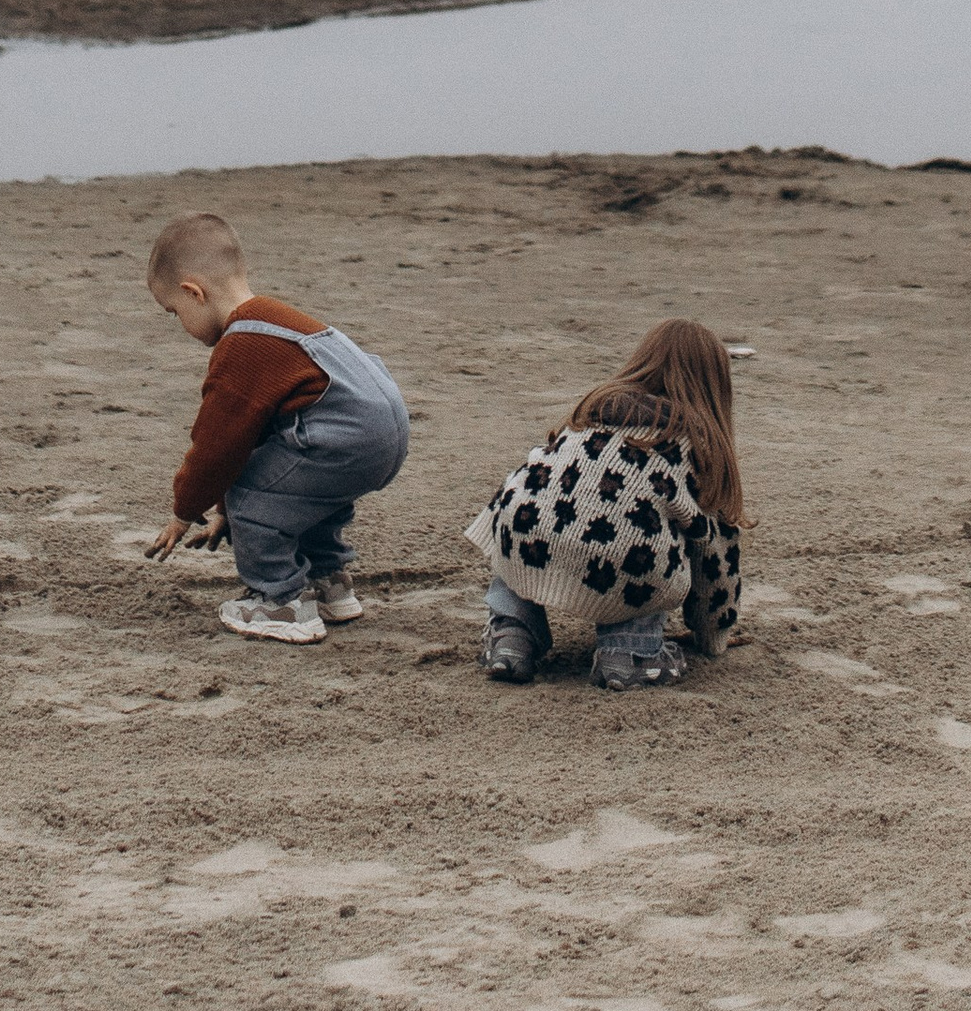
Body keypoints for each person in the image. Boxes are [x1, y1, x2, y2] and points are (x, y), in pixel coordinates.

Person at [141, 210, 410, 643]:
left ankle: (279, 601)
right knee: (304, 500)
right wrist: (223, 510)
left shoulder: (243, 345)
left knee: (255, 502)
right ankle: (330, 585)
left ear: (194, 293)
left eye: (174, 312)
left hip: (343, 438)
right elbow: (257, 438)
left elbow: (218, 446)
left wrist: (185, 510)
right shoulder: (281, 320)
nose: (181, 325)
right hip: (380, 435)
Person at [467, 317, 745, 688]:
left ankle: (511, 634)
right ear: (716, 387)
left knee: (526, 517)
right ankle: (628, 651)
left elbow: (518, 491)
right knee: (641, 543)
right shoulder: (697, 447)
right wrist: (712, 636)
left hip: (523, 534)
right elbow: (715, 556)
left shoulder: (587, 415)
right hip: (622, 560)